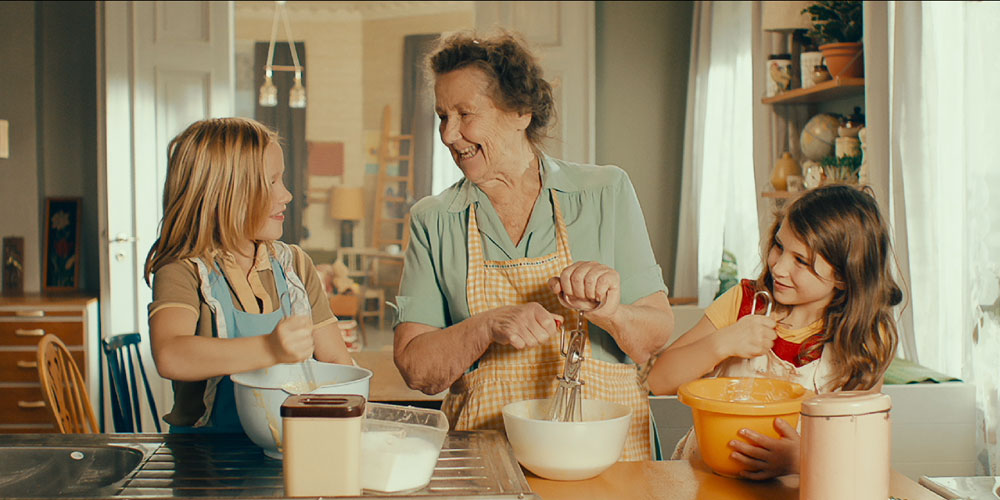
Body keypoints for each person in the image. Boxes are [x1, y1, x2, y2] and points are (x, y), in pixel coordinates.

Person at [392, 31, 675, 461]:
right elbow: (416, 369)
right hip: (490, 462)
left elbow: (652, 338)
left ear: (521, 111)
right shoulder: (435, 220)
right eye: (442, 117)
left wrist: (612, 313)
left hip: (610, 461)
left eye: (465, 114)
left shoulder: (604, 192)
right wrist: (487, 326)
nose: (449, 135)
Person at [648, 184, 902, 479]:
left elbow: (858, 447)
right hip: (704, 479)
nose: (779, 267)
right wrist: (722, 343)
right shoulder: (744, 303)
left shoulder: (866, 341)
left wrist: (801, 460)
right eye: (779, 246)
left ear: (845, 275)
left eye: (801, 261)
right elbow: (659, 380)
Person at [144, 117, 353, 433]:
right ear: (224, 193)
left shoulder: (295, 265)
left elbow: (337, 361)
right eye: (271, 182)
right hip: (205, 464)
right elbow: (171, 354)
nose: (286, 195)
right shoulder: (183, 271)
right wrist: (271, 349)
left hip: (291, 448)